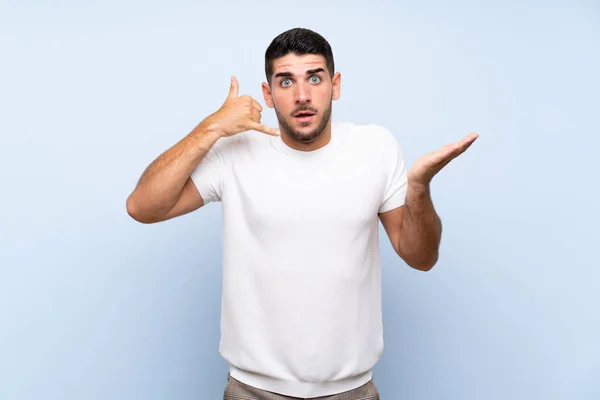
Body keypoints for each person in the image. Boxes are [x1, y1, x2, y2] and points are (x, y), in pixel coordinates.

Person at [126, 27, 478, 400]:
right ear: (268, 94)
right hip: (252, 390)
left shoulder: (375, 147)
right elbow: (142, 207)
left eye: (314, 77)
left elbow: (421, 257)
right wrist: (212, 127)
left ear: (335, 85)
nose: (302, 96)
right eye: (286, 81)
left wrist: (419, 189)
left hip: (352, 391)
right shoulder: (237, 151)